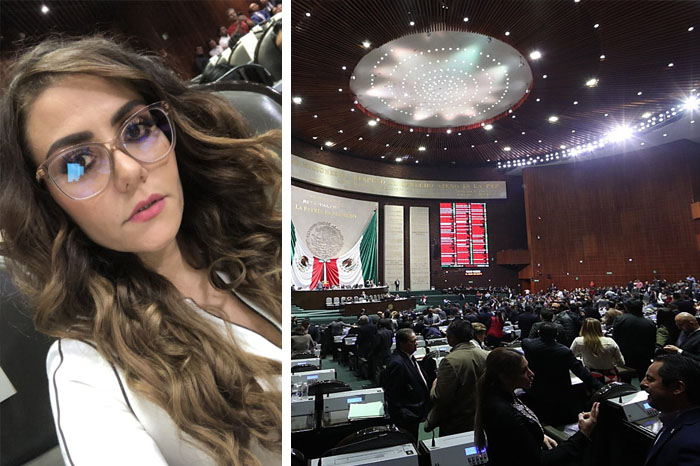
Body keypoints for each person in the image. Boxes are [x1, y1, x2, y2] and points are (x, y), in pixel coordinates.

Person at [0, 37, 281, 465]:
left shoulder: (260, 231)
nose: (130, 171)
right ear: (47, 201)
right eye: (78, 163)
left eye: (136, 130)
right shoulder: (88, 372)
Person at [474, 347, 600, 466]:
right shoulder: (503, 413)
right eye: (524, 371)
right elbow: (540, 461)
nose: (531, 374)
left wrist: (536, 436)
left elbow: (520, 436)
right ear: (505, 377)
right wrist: (583, 433)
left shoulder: (504, 394)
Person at [522, 323, 602, 425]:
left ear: (538, 333)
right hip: (559, 390)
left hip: (535, 387)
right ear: (557, 335)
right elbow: (581, 372)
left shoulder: (528, 345)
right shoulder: (564, 351)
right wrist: (599, 386)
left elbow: (525, 340)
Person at [425, 319, 488, 436]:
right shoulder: (487, 355)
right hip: (483, 417)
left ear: (452, 337)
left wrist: (434, 385)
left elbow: (439, 397)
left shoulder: (450, 361)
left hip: (457, 422)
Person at [641, 354, 700, 466]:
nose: (643, 383)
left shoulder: (691, 443)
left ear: (677, 388)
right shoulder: (673, 418)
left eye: (650, 379)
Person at [382, 328, 430, 442]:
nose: (416, 343)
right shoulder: (397, 363)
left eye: (416, 340)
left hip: (415, 410)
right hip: (407, 415)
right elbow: (393, 393)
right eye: (412, 341)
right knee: (409, 441)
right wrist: (405, 414)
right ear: (402, 344)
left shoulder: (408, 356)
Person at [570, 318, 625, 383]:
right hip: (611, 377)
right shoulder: (610, 341)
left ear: (583, 328)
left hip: (591, 378)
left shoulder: (578, 341)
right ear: (599, 328)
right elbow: (621, 363)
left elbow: (570, 357)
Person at [613, 299, 657, 379]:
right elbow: (652, 341)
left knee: (625, 379)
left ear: (627, 308)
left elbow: (615, 337)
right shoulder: (650, 323)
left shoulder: (620, 319)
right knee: (643, 378)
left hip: (625, 355)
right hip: (644, 356)